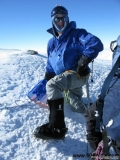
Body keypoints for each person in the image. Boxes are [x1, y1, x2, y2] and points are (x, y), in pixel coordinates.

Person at [33, 5, 103, 140]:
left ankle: (57, 128)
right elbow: (50, 62)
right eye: (57, 19)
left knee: (53, 85)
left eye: (63, 18)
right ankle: (96, 109)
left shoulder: (77, 34)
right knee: (76, 107)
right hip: (65, 79)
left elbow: (96, 43)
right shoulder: (51, 43)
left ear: (67, 19)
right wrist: (48, 76)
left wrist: (85, 58)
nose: (60, 22)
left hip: (77, 75)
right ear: (52, 21)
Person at [84, 35, 120, 159]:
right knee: (92, 113)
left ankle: (104, 150)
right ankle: (102, 148)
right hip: (112, 87)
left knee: (97, 117)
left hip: (114, 91)